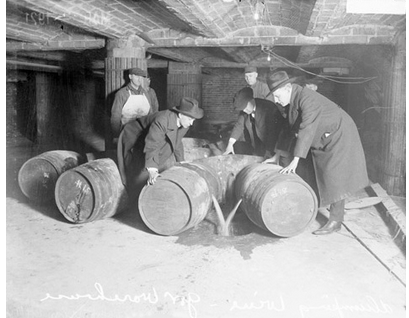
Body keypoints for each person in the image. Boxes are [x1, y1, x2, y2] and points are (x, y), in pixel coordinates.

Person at [264, 70, 369, 235]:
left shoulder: (307, 98)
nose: (276, 100)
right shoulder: (291, 100)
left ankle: (336, 220)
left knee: (334, 176)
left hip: (339, 133)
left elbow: (306, 129)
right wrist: (277, 154)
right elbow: (288, 129)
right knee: (320, 172)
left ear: (287, 88)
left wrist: (296, 159)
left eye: (277, 96)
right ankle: (315, 203)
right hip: (324, 135)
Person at [117, 97, 204, 197]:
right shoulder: (162, 120)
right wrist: (153, 169)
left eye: (193, 119)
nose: (191, 123)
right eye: (190, 119)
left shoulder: (185, 124)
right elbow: (152, 144)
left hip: (149, 135)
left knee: (160, 156)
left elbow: (177, 141)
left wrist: (181, 161)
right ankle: (131, 195)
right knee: (135, 167)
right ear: (180, 115)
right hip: (134, 133)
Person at [223, 87, 284, 157]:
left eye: (245, 108)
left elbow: (272, 133)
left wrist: (268, 151)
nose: (245, 111)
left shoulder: (268, 108)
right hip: (259, 145)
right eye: (243, 110)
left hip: (276, 145)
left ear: (251, 100)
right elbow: (239, 125)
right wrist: (230, 144)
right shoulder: (245, 110)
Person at [110, 67, 155, 138]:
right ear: (130, 76)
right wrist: (116, 136)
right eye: (137, 76)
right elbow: (115, 117)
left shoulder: (146, 94)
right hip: (126, 132)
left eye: (141, 77)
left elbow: (151, 114)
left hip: (143, 132)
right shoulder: (121, 94)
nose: (139, 79)